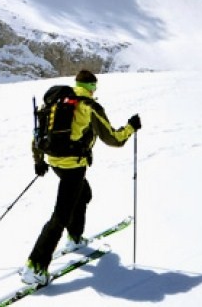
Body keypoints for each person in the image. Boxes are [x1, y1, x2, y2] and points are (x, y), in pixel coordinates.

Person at [20, 70, 141, 285]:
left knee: (84, 194)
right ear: (92, 87)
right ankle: (35, 266)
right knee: (60, 216)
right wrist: (131, 127)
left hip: (53, 161)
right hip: (73, 166)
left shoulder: (54, 101)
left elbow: (37, 134)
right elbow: (113, 139)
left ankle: (75, 238)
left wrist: (38, 161)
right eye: (94, 87)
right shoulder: (88, 106)